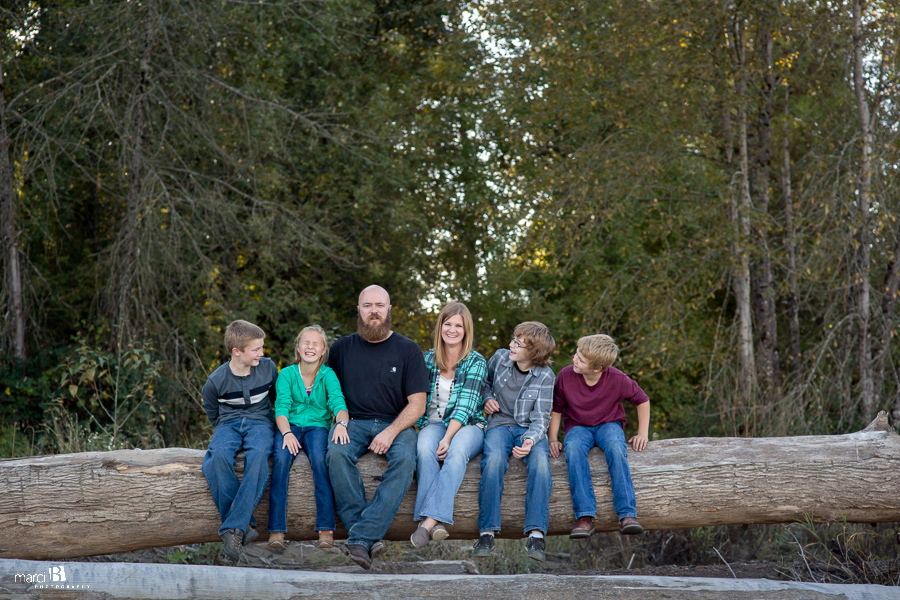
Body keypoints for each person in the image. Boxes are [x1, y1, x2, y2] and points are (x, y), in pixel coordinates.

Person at [325, 285, 429, 569]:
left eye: (379, 306)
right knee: (335, 455)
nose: (374, 311)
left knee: (407, 460)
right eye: (367, 305)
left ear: (389, 310)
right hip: (352, 422)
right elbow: (329, 394)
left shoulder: (408, 350)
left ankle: (360, 538)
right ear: (358, 310)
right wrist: (341, 421)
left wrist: (391, 431)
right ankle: (369, 536)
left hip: (397, 424)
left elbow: (417, 405)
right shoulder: (340, 349)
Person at [547, 334, 650, 538]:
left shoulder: (617, 378)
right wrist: (552, 439)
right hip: (577, 426)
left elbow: (642, 400)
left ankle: (627, 514)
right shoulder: (566, 376)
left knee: (615, 446)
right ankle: (585, 517)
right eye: (577, 354)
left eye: (581, 359)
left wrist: (642, 433)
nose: (574, 359)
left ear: (597, 368)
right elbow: (556, 410)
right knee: (574, 450)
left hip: (608, 424)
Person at [473, 321, 556, 562]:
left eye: (518, 344)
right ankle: (487, 532)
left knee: (541, 464)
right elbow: (484, 383)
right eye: (513, 339)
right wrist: (486, 399)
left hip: (529, 429)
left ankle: (536, 534)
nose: (511, 345)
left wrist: (530, 440)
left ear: (534, 353)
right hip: (499, 425)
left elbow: (542, 417)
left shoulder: (545, 376)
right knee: (494, 461)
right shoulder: (499, 358)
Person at [410, 302, 488, 548]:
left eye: (458, 326)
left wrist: (447, 438)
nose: (452, 330)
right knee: (423, 449)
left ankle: (427, 522)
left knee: (456, 453)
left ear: (466, 331)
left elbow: (466, 406)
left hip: (470, 426)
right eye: (448, 324)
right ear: (440, 326)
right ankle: (438, 523)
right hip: (433, 423)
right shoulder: (426, 360)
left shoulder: (476, 361)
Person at [266, 325, 349, 551]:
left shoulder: (328, 375)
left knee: (321, 463)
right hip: (289, 426)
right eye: (306, 343)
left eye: (316, 344)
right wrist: (287, 433)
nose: (310, 347)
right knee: (280, 462)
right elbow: (281, 409)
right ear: (298, 347)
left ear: (323, 350)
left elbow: (338, 404)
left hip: (317, 428)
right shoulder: (287, 374)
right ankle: (276, 531)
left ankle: (325, 529)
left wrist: (341, 424)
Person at [201, 319, 277, 560]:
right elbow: (212, 412)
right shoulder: (216, 381)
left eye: (261, 348)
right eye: (256, 349)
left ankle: (233, 529)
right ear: (237, 351)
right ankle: (245, 524)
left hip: (261, 422)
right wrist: (225, 428)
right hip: (228, 423)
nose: (261, 353)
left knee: (258, 457)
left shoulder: (268, 368)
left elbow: (277, 400)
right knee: (216, 458)